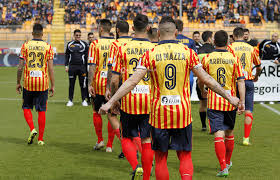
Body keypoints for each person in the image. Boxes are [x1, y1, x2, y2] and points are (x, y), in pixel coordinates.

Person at [99, 16, 240, 180]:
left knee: (160, 158)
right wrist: (229, 97)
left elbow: (131, 81)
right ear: (177, 33)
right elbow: (207, 79)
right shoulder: (188, 53)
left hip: (159, 114)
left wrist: (109, 102)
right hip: (183, 114)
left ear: (158, 33)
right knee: (185, 155)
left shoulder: (150, 54)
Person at [108, 14, 155, 180]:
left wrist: (114, 99)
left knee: (126, 136)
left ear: (133, 28)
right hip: (149, 100)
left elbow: (114, 80)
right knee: (147, 139)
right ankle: (147, 176)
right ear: (148, 28)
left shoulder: (122, 48)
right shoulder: (154, 49)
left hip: (129, 99)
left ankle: (136, 166)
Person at [200, 30, 245, 177]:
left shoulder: (207, 58)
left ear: (214, 42)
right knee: (229, 133)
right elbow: (240, 81)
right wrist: (242, 101)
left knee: (218, 133)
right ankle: (228, 162)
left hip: (214, 101)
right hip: (230, 100)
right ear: (227, 43)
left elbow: (202, 79)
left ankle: (222, 167)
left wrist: (202, 91)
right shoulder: (234, 58)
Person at [16, 23, 55, 146]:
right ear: (42, 34)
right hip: (43, 83)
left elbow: (20, 67)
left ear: (32, 33)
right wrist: (53, 85)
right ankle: (41, 139)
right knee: (41, 110)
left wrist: (18, 82)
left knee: (26, 107)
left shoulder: (25, 46)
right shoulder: (48, 47)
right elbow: (51, 68)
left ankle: (32, 128)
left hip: (28, 82)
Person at [228, 27, 262, 146]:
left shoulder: (230, 47)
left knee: (231, 109)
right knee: (248, 110)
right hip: (247, 81)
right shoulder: (251, 48)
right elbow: (259, 66)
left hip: (234, 82)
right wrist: (256, 76)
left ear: (233, 35)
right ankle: (246, 139)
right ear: (243, 35)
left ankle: (229, 135)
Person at [88, 19, 116, 152]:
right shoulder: (116, 44)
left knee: (96, 111)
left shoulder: (95, 44)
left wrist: (89, 83)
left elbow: (92, 66)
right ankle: (110, 145)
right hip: (112, 84)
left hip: (99, 83)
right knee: (112, 114)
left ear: (100, 29)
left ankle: (100, 140)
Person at [106, 20, 132, 156]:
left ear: (117, 30)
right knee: (130, 116)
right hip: (134, 84)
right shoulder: (134, 43)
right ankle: (128, 147)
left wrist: (108, 89)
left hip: (120, 83)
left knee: (112, 113)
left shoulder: (115, 44)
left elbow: (111, 68)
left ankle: (126, 144)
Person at [65, 29, 89, 107]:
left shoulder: (84, 44)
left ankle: (83, 100)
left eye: (79, 35)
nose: (78, 37)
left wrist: (87, 67)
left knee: (83, 85)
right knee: (71, 84)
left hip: (82, 67)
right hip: (72, 67)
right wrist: (66, 65)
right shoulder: (69, 44)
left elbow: (86, 57)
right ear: (74, 36)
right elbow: (67, 55)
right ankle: (70, 100)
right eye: (76, 35)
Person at [197, 30, 215, 131]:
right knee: (212, 105)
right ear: (209, 38)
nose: (213, 39)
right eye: (212, 37)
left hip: (200, 80)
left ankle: (204, 126)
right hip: (212, 80)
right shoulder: (214, 50)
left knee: (202, 104)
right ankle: (212, 126)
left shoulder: (198, 50)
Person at [174, 19, 196, 95]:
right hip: (187, 68)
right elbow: (194, 57)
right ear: (182, 28)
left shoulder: (171, 41)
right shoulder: (190, 41)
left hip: (174, 67)